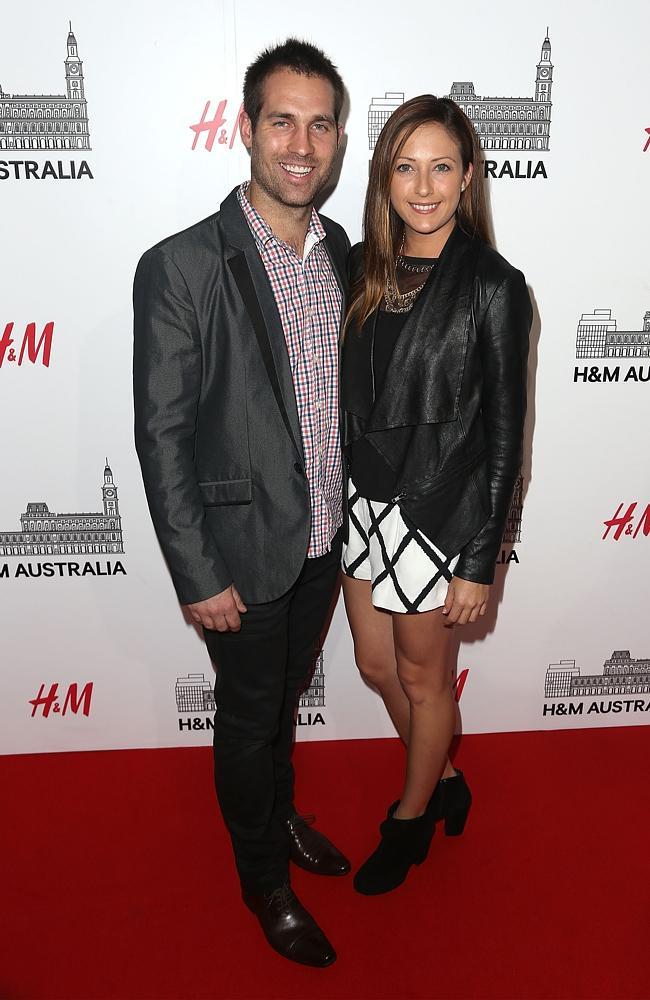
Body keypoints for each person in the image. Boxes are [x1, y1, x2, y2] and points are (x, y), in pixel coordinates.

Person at [133, 39, 350, 967]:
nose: (300, 143)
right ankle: (263, 875)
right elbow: (163, 432)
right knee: (247, 714)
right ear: (247, 128)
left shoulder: (342, 250)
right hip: (239, 556)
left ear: (338, 138)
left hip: (325, 542)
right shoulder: (183, 265)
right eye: (281, 121)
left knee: (281, 704)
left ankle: (279, 810)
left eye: (320, 123)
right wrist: (198, 571)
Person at [340, 95, 532, 895]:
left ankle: (411, 818)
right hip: (362, 501)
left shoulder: (496, 287)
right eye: (405, 167)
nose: (423, 186)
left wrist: (479, 558)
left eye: (441, 166)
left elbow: (506, 436)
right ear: (385, 176)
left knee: (424, 682)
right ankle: (447, 776)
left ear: (469, 176)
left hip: (437, 513)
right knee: (374, 665)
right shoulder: (360, 267)